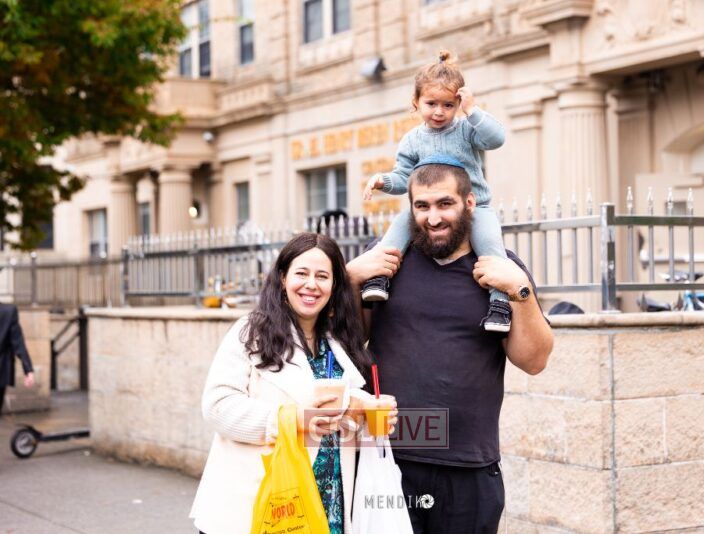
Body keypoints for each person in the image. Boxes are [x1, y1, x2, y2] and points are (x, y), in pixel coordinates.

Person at [347, 160, 554, 534]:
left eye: (445, 204)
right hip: (389, 461)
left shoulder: (499, 270)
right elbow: (347, 342)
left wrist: (520, 290)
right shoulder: (386, 263)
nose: (433, 218)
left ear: (470, 203)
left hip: (469, 469)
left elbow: (534, 361)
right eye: (422, 206)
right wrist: (350, 279)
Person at [190, 233, 396, 534]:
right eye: (302, 273)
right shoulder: (251, 332)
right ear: (283, 278)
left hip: (325, 505)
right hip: (259, 504)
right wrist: (292, 419)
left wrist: (364, 409)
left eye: (322, 276)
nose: (311, 284)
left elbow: (336, 414)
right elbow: (218, 407)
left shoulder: (338, 340)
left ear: (334, 285)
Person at [361, 50, 511, 332]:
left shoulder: (466, 129)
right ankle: (379, 277)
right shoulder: (412, 140)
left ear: (458, 104)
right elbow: (403, 177)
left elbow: (496, 139)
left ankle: (500, 303)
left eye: (448, 105)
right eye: (431, 104)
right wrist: (383, 181)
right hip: (429, 205)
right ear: (416, 103)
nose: (439, 112)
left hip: (475, 208)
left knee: (490, 245)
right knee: (395, 231)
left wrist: (473, 110)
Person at [0, 302, 36, 414]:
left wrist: (28, 369)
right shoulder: (8, 312)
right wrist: (28, 369)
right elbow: (18, 342)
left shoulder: (8, 312)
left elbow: (18, 341)